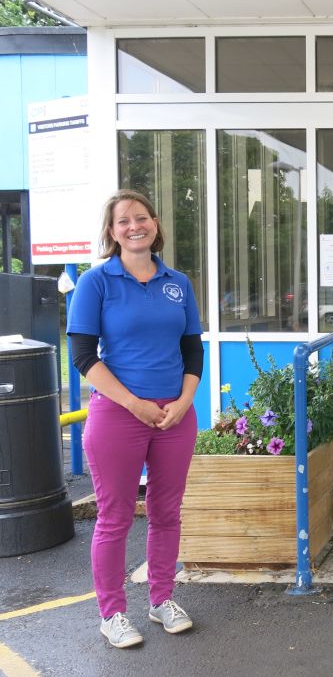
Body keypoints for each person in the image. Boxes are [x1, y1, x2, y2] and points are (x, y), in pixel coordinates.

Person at [68, 190, 203, 648]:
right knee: (116, 516)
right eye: (123, 221)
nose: (133, 226)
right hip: (119, 413)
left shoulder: (177, 283)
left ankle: (162, 598)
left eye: (140, 217)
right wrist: (134, 403)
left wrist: (184, 401)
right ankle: (113, 613)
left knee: (166, 512)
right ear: (112, 232)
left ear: (155, 223)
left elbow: (191, 350)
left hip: (174, 414)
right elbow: (84, 357)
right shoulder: (96, 281)